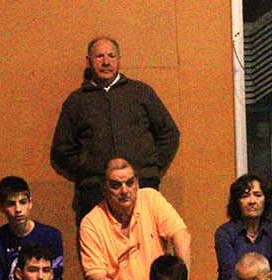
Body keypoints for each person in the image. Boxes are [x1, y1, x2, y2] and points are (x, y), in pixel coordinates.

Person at [51, 35, 181, 222]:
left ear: (119, 59)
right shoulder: (76, 101)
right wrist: (89, 172)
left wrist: (150, 168)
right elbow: (61, 150)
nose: (106, 62)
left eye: (111, 56)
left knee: (149, 247)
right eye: (99, 56)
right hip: (95, 195)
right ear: (89, 61)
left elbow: (169, 134)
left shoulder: (141, 92)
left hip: (142, 189)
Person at [79, 158, 191, 280]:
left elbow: (181, 234)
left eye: (130, 183)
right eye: (116, 185)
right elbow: (95, 277)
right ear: (104, 189)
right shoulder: (91, 222)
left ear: (137, 183)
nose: (125, 191)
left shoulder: (151, 198)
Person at [214, 173, 272, 280]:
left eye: (258, 195)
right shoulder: (224, 233)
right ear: (237, 202)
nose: (252, 201)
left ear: (265, 200)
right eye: (245, 196)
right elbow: (230, 276)